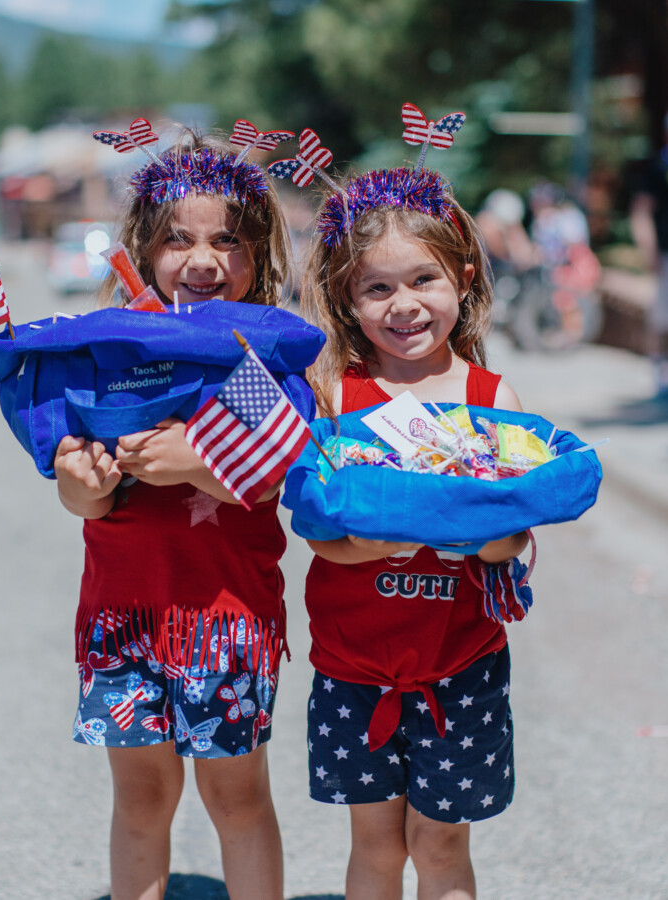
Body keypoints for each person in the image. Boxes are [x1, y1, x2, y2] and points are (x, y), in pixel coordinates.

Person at [54, 127, 301, 900]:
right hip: (123, 618)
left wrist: (191, 460)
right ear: (142, 250)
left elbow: (267, 475)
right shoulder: (107, 356)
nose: (203, 259)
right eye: (178, 240)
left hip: (226, 619)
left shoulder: (262, 357)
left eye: (228, 240)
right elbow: (78, 496)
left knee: (237, 798)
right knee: (141, 801)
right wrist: (84, 478)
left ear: (256, 258)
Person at [298, 165, 530, 900]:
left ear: (462, 279)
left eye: (423, 279)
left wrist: (470, 530)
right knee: (375, 843)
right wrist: (373, 542)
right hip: (353, 668)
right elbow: (318, 533)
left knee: (440, 843)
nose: (404, 305)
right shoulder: (335, 392)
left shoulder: (494, 398)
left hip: (459, 667)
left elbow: (512, 539)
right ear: (348, 298)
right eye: (378, 288)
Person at [630, 109, 668, 396]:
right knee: (664, 318)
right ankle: (662, 371)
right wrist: (649, 251)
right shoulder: (659, 166)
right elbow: (641, 212)